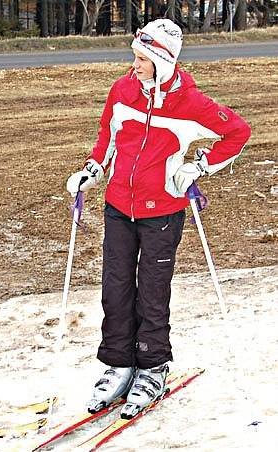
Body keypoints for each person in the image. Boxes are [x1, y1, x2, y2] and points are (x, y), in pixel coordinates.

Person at [66, 19, 251, 418]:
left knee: (152, 292)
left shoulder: (191, 104)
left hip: (163, 213)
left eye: (142, 59)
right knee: (115, 290)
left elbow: (237, 132)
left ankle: (152, 367)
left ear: (163, 63)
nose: (134, 65)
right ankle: (119, 364)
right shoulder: (122, 91)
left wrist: (198, 167)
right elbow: (107, 138)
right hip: (118, 207)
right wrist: (93, 170)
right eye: (134, 56)